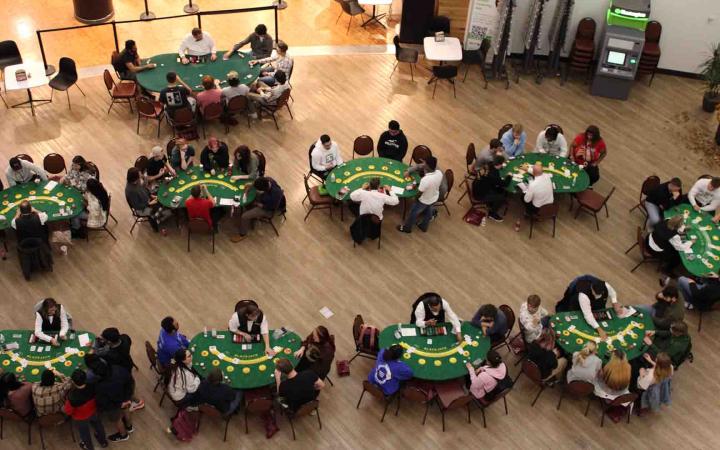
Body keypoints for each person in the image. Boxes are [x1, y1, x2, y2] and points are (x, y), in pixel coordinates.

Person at [84, 354, 134, 442]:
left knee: (117, 419)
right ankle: (129, 427)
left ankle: (123, 435)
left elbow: (103, 403)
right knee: (126, 410)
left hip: (113, 406)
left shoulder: (100, 386)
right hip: (125, 396)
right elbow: (130, 380)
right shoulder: (117, 368)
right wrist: (127, 398)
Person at [556, 275, 619, 340]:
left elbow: (613, 293)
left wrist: (615, 302)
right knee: (574, 318)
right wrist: (599, 329)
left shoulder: (606, 285)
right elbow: (588, 315)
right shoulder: (583, 295)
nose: (596, 296)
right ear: (591, 288)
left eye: (599, 294)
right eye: (595, 293)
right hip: (577, 304)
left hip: (594, 305)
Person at [397, 156, 443, 233]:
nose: (423, 164)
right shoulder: (439, 173)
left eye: (424, 163)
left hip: (423, 200)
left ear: (427, 166)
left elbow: (419, 193)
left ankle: (407, 228)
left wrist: (415, 199)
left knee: (413, 213)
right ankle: (423, 226)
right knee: (429, 212)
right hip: (434, 197)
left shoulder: (426, 180)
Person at [231, 177, 285, 242]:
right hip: (265, 199)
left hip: (268, 209)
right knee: (252, 194)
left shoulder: (274, 195)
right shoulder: (268, 180)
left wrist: (256, 204)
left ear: (263, 190)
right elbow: (257, 182)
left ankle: (242, 234)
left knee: (244, 216)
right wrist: (250, 185)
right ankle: (250, 207)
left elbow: (268, 207)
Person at [64, 369, 109, 450]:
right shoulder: (93, 385)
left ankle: (89, 447)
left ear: (73, 382)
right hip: (94, 411)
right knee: (98, 425)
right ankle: (103, 442)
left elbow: (68, 411)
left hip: (81, 418)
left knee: (84, 433)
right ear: (85, 378)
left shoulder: (72, 396)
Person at [124, 167, 169, 232]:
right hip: (142, 208)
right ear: (135, 178)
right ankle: (156, 222)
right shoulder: (130, 191)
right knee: (159, 208)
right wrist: (149, 203)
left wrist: (151, 195)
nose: (141, 176)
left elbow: (144, 189)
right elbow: (137, 206)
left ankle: (159, 216)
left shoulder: (136, 181)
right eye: (139, 175)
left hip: (147, 200)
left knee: (161, 197)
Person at [472, 156, 511, 221]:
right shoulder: (494, 175)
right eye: (502, 164)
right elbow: (505, 184)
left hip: (477, 186)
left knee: (498, 189)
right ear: (499, 164)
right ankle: (492, 214)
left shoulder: (490, 164)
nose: (502, 165)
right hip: (480, 195)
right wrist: (509, 176)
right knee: (501, 197)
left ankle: (491, 203)